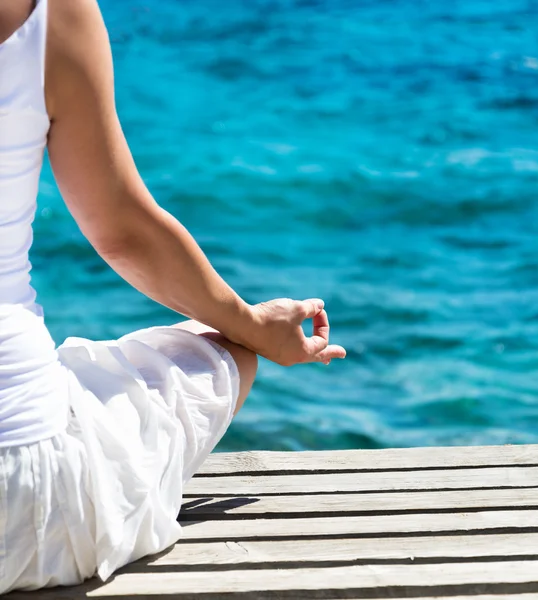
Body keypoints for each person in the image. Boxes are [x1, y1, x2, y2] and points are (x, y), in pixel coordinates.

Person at [0, 0, 346, 592]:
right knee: (222, 355)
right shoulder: (52, 13)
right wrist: (253, 328)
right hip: (27, 505)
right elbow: (124, 232)